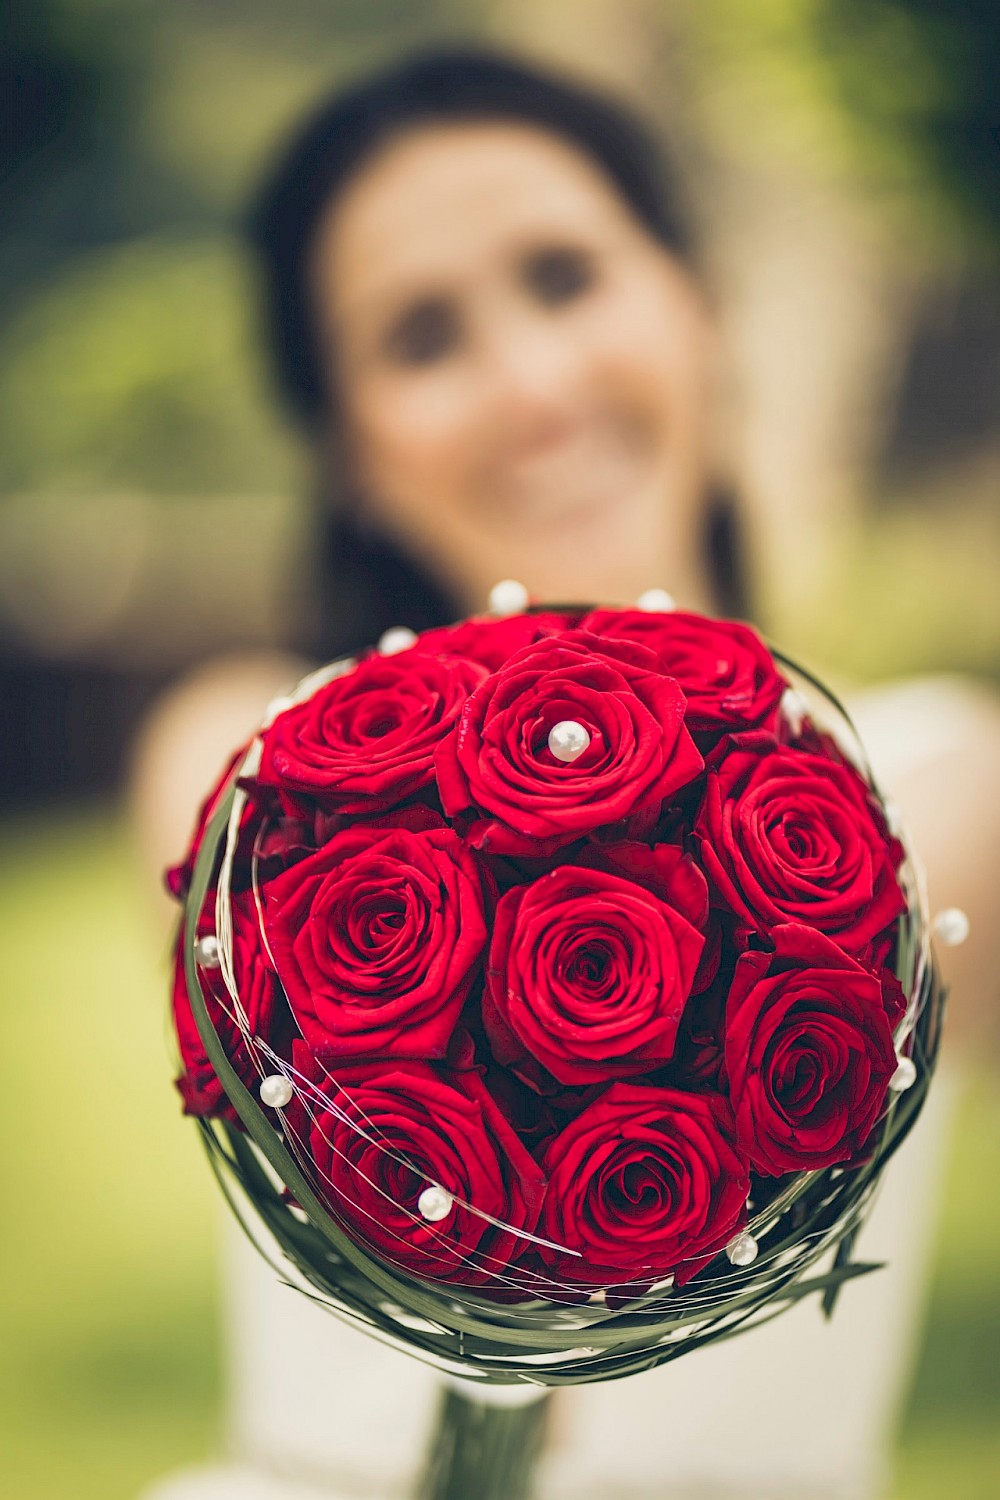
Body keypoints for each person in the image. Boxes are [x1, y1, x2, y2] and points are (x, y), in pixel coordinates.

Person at [136, 48, 1000, 1500]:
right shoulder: (239, 780)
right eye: (421, 338)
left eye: (565, 277)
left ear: (697, 307)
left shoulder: (938, 788)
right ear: (343, 444)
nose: (532, 386)